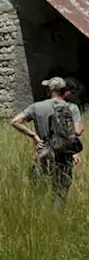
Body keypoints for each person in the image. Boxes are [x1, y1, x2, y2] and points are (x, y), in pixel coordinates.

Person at [10, 77, 85, 210]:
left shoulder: (37, 106)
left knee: (40, 189)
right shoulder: (72, 107)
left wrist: (34, 136)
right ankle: (57, 218)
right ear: (63, 90)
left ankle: (40, 216)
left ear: (50, 90)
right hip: (64, 155)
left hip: (44, 152)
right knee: (60, 191)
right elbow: (78, 131)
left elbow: (15, 121)